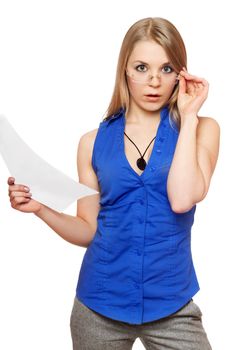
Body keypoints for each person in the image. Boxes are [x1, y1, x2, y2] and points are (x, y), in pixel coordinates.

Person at [7, 17, 220, 350]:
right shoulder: (91, 143)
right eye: (141, 67)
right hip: (99, 306)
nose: (153, 81)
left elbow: (182, 199)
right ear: (125, 71)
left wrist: (189, 115)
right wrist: (39, 209)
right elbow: (87, 229)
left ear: (181, 73)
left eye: (166, 69)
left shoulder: (202, 129)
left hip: (172, 306)